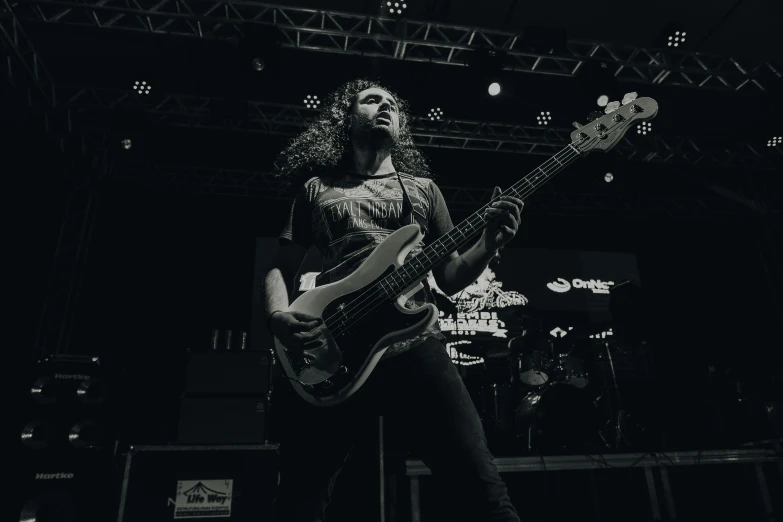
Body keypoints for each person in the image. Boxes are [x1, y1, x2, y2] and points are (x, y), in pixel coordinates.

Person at [264, 78, 524, 522]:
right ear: (346, 118)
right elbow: (278, 266)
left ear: (401, 125)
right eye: (371, 100)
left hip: (414, 346)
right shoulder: (316, 188)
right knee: (300, 498)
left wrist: (489, 244)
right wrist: (277, 316)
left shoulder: (424, 190)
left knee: (482, 488)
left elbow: (452, 276)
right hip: (335, 346)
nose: (384, 106)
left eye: (393, 104)